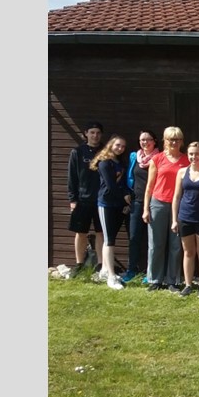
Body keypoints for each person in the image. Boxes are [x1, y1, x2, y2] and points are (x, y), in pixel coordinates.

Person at [142, 126, 186, 292]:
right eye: (171, 139)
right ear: (165, 141)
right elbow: (149, 186)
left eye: (177, 139)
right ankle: (155, 279)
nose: (174, 142)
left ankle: (172, 280)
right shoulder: (157, 159)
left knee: (176, 244)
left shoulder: (186, 160)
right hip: (158, 203)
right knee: (156, 244)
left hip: (179, 205)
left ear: (181, 141)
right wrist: (146, 209)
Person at [171, 141, 199, 298]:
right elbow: (176, 197)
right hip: (185, 217)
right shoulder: (182, 172)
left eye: (197, 154)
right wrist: (174, 219)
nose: (194, 157)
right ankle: (188, 284)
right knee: (188, 252)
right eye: (191, 154)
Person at [89, 135, 131, 290]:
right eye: (117, 145)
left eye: (123, 146)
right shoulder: (104, 163)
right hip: (106, 204)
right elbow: (111, 185)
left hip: (118, 205)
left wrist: (126, 195)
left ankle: (106, 271)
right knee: (109, 240)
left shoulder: (121, 162)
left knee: (111, 237)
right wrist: (124, 196)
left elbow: (123, 183)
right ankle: (111, 277)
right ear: (111, 145)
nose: (120, 148)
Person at [66, 120, 104, 275]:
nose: (95, 136)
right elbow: (72, 177)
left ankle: (101, 264)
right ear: (86, 134)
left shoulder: (106, 152)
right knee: (80, 232)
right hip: (82, 199)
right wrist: (72, 200)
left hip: (102, 199)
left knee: (101, 232)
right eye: (92, 132)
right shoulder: (77, 152)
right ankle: (79, 264)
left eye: (98, 133)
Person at [122, 129, 157, 283]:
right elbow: (127, 176)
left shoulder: (159, 158)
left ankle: (150, 272)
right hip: (136, 202)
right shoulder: (134, 157)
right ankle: (131, 269)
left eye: (148, 139)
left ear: (154, 141)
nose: (145, 142)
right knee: (134, 237)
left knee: (153, 239)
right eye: (142, 140)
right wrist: (126, 192)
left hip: (154, 202)